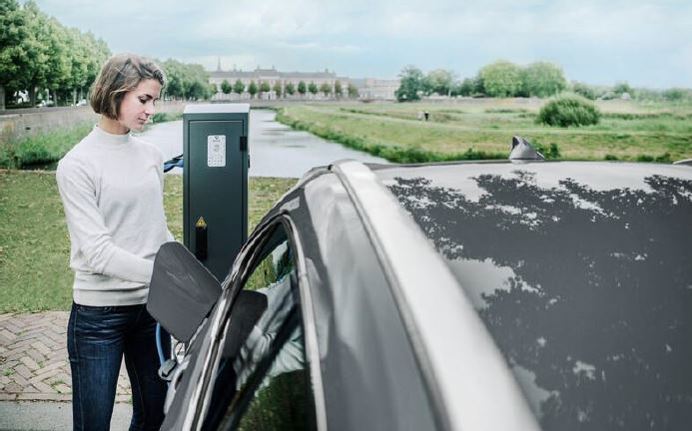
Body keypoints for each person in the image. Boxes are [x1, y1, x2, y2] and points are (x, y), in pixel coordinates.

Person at [56, 53, 172, 431]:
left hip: (151, 312)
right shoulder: (77, 165)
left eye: (155, 100)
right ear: (114, 92)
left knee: (156, 416)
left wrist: (180, 268)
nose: (151, 110)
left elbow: (158, 229)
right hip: (98, 318)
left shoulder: (151, 155)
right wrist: (163, 275)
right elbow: (99, 253)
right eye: (143, 100)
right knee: (93, 424)